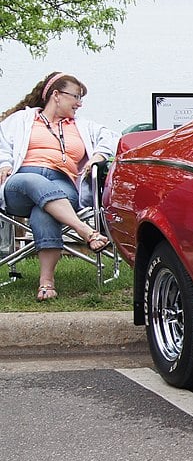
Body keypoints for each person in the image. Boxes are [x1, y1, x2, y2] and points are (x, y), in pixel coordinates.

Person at [0, 71, 119, 301]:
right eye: (76, 97)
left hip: (62, 183)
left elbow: (113, 138)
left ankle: (46, 282)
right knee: (33, 180)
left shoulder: (82, 126)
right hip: (21, 182)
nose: (79, 103)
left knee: (44, 213)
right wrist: (4, 164)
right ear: (56, 95)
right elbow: (1, 145)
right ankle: (84, 230)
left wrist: (98, 155)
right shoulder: (22, 120)